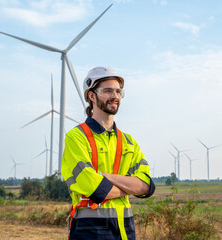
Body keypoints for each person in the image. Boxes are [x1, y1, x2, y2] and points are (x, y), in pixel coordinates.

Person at [62, 66, 155, 240]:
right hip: (89, 231)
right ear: (92, 96)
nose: (115, 96)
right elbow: (96, 189)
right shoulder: (76, 137)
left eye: (118, 91)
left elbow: (146, 187)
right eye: (108, 91)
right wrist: (130, 187)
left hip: (125, 229)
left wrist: (105, 176)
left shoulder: (129, 141)